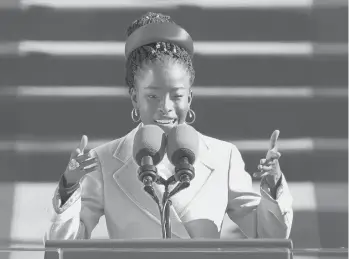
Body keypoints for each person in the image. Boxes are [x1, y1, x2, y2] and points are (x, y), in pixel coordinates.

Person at [46, 12, 293, 240]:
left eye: (176, 95)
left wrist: (273, 185)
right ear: (135, 97)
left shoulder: (223, 157)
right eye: (153, 96)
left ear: (190, 98)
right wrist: (70, 185)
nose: (166, 107)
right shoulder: (104, 160)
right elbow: (67, 245)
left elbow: (269, 236)